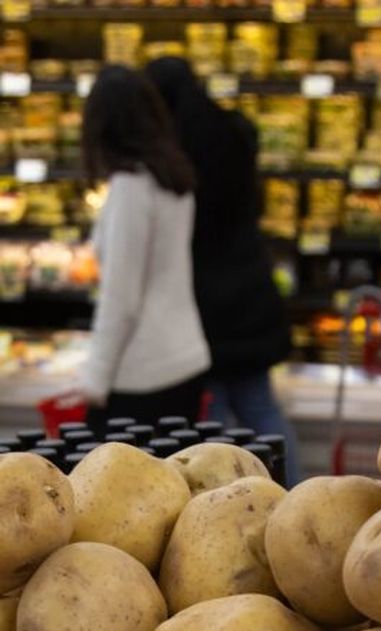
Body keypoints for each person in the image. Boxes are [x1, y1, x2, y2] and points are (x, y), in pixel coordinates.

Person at [145, 58, 299, 483]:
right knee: (261, 409)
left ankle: (214, 498)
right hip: (251, 291)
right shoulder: (235, 133)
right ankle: (291, 493)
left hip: (205, 304)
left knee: (209, 416)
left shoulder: (173, 154)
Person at [72, 65, 210, 431]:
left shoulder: (130, 188)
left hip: (142, 373)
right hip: (185, 357)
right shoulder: (173, 176)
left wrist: (95, 378)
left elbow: (121, 298)